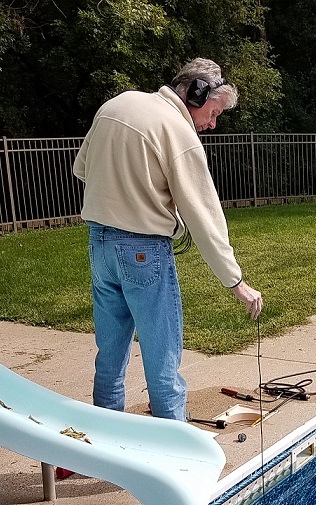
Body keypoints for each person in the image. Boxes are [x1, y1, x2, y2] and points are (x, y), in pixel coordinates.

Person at [73, 58, 262, 422]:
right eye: (214, 111)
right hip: (143, 251)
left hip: (99, 245)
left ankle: (104, 444)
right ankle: (173, 454)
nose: (212, 123)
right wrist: (236, 282)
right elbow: (205, 217)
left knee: (110, 357)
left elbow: (82, 168)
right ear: (197, 92)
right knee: (162, 361)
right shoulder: (178, 131)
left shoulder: (117, 105)